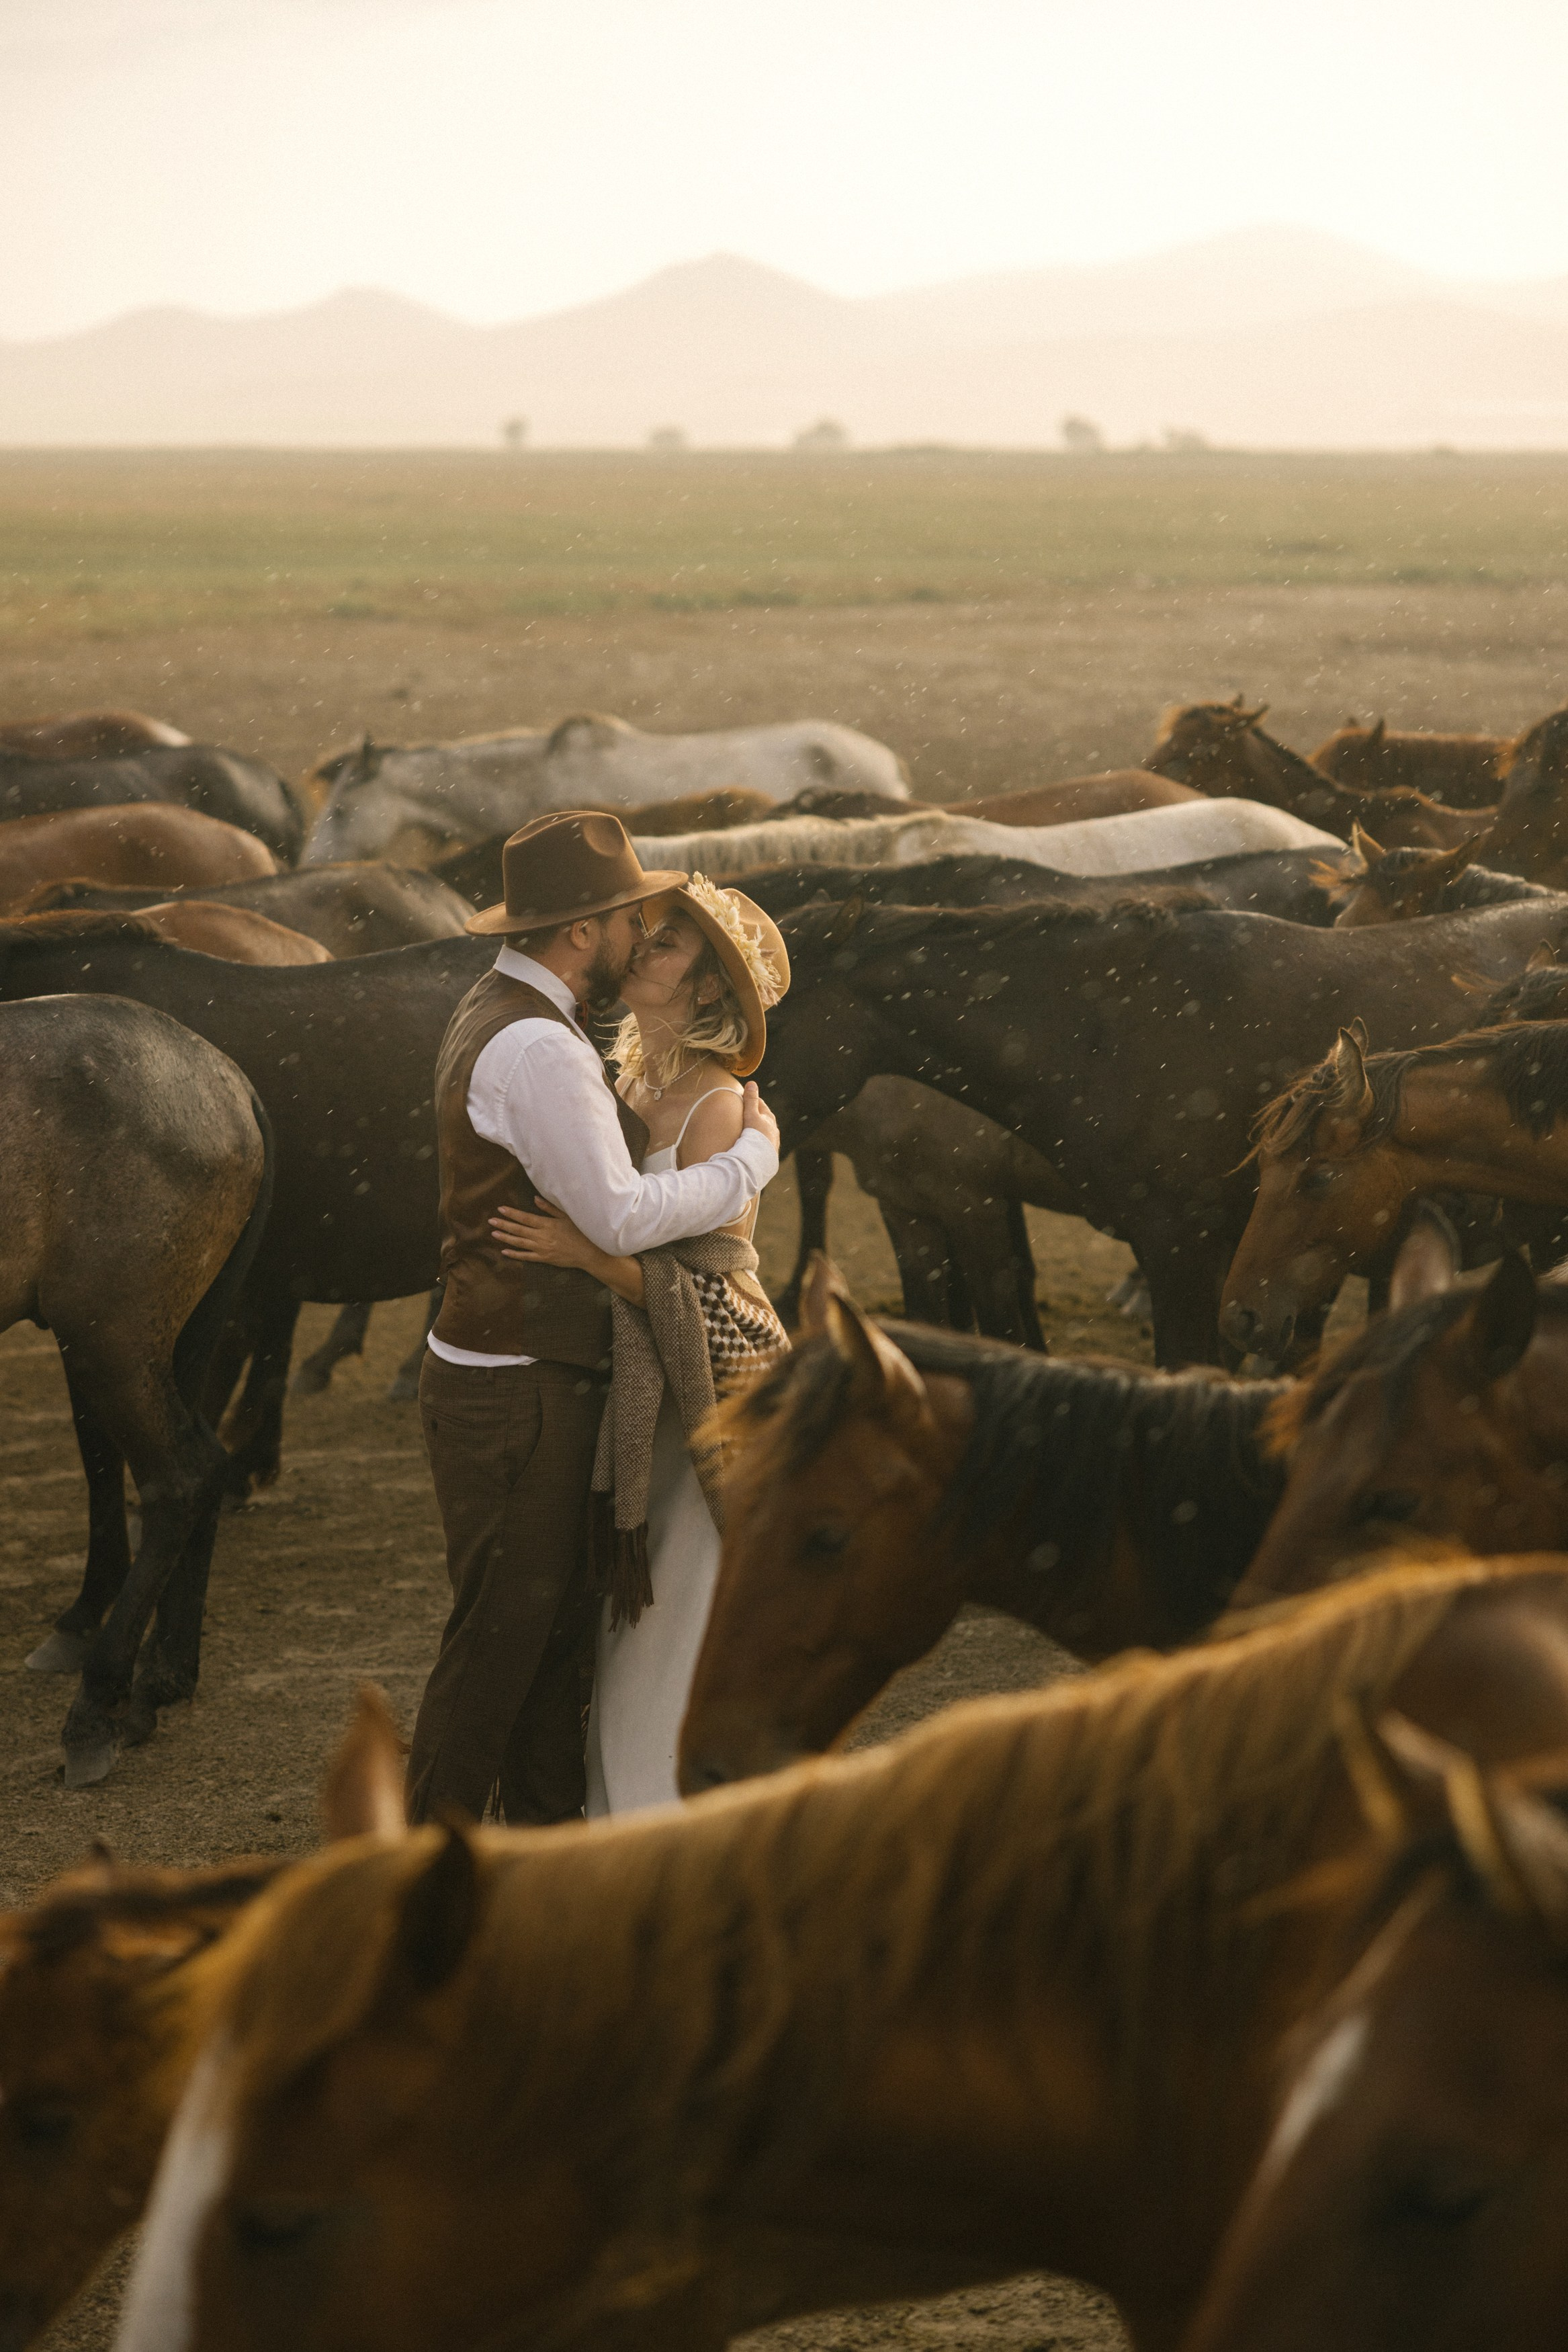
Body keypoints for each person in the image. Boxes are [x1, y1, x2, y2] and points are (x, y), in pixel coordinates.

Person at [405, 812, 780, 1828]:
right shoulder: (544, 1051)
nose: (635, 939)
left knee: (549, 1636)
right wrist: (749, 1165)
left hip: (536, 1369)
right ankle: (416, 1872)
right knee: (502, 1645)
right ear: (584, 931)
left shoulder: (512, 1016)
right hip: (521, 1378)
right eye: (630, 922)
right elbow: (616, 1214)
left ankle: (542, 1845)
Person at [492, 874, 791, 1814]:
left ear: (707, 991)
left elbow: (715, 1284)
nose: (642, 953)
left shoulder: (721, 1107)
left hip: (704, 1394)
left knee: (667, 1631)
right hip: (641, 1396)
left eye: (665, 947)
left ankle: (662, 1822)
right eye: (650, 936)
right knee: (631, 1630)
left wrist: (588, 1256)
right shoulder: (623, 1078)